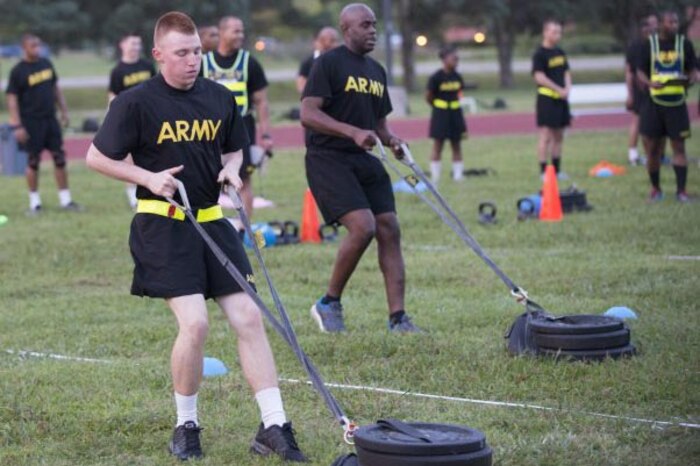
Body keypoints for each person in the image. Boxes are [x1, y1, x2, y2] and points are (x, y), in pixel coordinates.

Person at [85, 11, 307, 462]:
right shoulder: (135, 102)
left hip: (212, 221)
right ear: (159, 54)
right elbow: (96, 157)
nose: (192, 61)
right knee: (197, 323)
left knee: (248, 317)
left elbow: (234, 146)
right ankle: (186, 425)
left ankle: (274, 426)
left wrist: (230, 171)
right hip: (162, 225)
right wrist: (146, 177)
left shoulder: (220, 97)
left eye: (197, 53)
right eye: (182, 53)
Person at [301, 3, 421, 334]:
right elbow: (308, 114)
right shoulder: (328, 64)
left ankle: (398, 318)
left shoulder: (376, 70)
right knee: (363, 226)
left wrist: (393, 141)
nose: (372, 31)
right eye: (365, 25)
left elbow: (379, 125)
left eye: (374, 25)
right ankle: (328, 303)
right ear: (346, 29)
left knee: (389, 227)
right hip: (328, 158)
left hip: (365, 159)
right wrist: (351, 131)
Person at [200, 15, 272, 219]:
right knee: (208, 177)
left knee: (243, 178)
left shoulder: (249, 62)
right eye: (235, 31)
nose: (241, 35)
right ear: (222, 32)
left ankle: (244, 227)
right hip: (210, 130)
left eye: (242, 30)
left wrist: (266, 135)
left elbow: (261, 102)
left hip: (242, 128)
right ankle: (211, 224)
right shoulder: (204, 63)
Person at [5, 33, 81, 214]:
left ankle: (66, 200)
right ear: (24, 48)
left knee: (59, 158)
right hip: (31, 122)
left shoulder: (46, 64)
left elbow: (56, 89)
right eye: (33, 46)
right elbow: (12, 99)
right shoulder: (18, 71)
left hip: (50, 119)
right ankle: (35, 203)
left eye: (38, 45)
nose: (37, 49)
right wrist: (17, 125)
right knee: (33, 161)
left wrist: (64, 111)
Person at [636, 10, 698, 203]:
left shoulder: (684, 44)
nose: (674, 25)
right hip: (654, 104)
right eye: (670, 22)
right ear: (661, 24)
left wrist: (691, 78)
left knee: (679, 148)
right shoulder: (650, 45)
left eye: (676, 22)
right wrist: (648, 83)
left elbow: (693, 69)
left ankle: (681, 192)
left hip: (677, 104)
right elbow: (640, 71)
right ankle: (656, 189)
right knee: (653, 149)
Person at [108, 32, 156, 209]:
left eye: (138, 44)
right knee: (129, 158)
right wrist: (113, 118)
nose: (135, 47)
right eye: (132, 44)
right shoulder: (118, 71)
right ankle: (132, 195)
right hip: (128, 118)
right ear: (122, 45)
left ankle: (152, 188)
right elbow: (113, 96)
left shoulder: (147, 65)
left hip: (149, 116)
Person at [532, 19, 571, 180]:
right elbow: (539, 77)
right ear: (545, 32)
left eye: (559, 32)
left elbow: (567, 72)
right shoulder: (539, 54)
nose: (557, 35)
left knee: (559, 136)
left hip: (561, 100)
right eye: (554, 32)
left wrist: (567, 88)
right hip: (547, 100)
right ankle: (543, 171)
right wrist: (558, 89)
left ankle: (556, 169)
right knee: (546, 136)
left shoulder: (560, 52)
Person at [425, 46, 468, 184]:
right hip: (440, 115)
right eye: (453, 58)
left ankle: (458, 175)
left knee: (457, 144)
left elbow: (460, 92)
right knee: (438, 144)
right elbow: (429, 96)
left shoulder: (457, 76)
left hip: (456, 114)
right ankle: (435, 176)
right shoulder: (436, 77)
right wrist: (439, 106)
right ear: (444, 60)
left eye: (457, 59)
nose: (456, 61)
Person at [625, 14, 658, 166]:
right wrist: (630, 94)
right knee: (638, 121)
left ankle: (653, 155)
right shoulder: (635, 46)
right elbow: (629, 71)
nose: (652, 28)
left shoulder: (656, 44)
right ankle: (632, 154)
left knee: (653, 122)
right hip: (641, 90)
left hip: (656, 88)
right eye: (649, 25)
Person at [296, 27, 340, 94]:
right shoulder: (308, 62)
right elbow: (301, 85)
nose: (328, 44)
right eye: (323, 40)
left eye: (333, 40)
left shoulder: (341, 60)